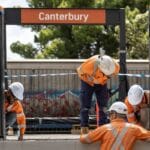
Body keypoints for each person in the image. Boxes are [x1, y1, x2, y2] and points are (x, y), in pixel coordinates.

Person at [77, 54, 120, 134]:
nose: (108, 76)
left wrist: (102, 79)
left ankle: (102, 128)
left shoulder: (115, 66)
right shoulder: (89, 66)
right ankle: (84, 127)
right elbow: (79, 71)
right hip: (87, 83)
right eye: (106, 74)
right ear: (100, 68)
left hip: (102, 84)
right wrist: (90, 79)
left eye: (109, 76)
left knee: (103, 105)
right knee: (85, 105)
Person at [80, 101, 150, 150]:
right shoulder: (134, 129)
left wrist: (82, 134)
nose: (109, 117)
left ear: (114, 114)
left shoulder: (104, 128)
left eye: (110, 114)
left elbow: (85, 139)